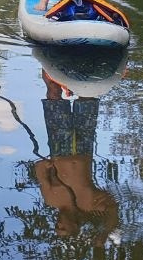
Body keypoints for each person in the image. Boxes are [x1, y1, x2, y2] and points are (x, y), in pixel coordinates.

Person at [33, 70, 119, 246]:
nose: (58, 224)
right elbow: (112, 209)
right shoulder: (89, 204)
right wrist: (104, 234)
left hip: (59, 148)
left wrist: (46, 166)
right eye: (62, 228)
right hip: (84, 148)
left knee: (53, 93)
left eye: (56, 227)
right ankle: (86, 64)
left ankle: (48, 63)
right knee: (87, 95)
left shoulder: (51, 199)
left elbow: (39, 169)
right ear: (75, 226)